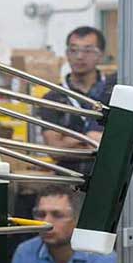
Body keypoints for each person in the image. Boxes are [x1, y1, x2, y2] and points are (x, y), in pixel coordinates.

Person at [38, 26, 114, 174]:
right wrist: (91, 139)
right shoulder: (52, 98)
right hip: (68, 179)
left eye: (88, 50)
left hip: (109, 176)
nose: (79, 56)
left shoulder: (113, 93)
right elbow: (54, 150)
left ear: (100, 55)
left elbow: (119, 145)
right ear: (66, 54)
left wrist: (69, 140)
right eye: (73, 50)